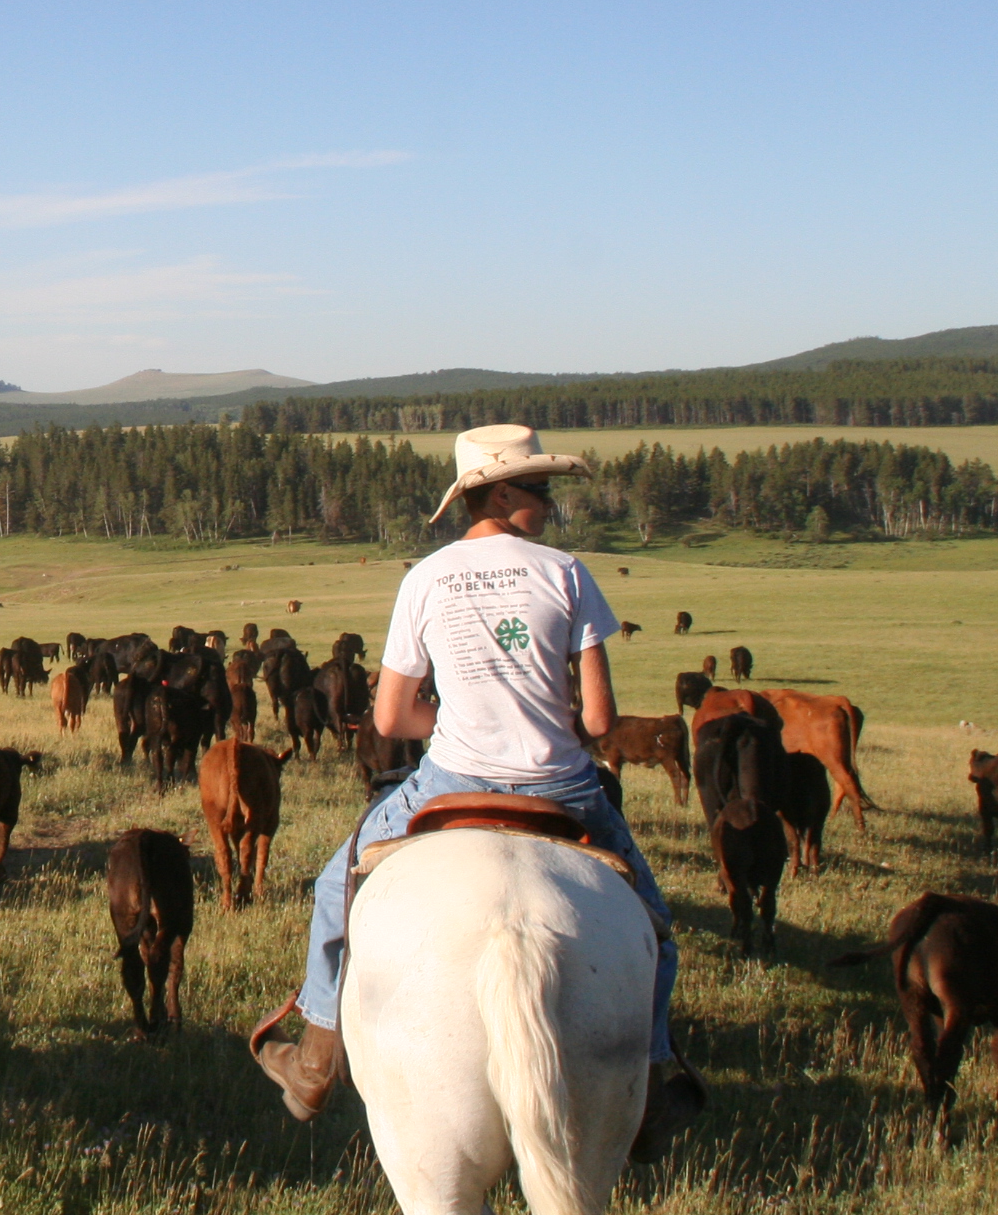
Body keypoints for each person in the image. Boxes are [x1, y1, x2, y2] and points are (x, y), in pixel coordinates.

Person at [253, 423, 705, 1159]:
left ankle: (313, 1063)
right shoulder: (567, 572)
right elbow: (598, 720)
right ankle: (650, 1083)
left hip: (452, 778)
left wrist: (459, 713)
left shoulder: (425, 578)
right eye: (541, 492)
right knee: (655, 925)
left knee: (335, 887)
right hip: (563, 785)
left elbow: (394, 716)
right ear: (499, 493)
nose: (551, 507)